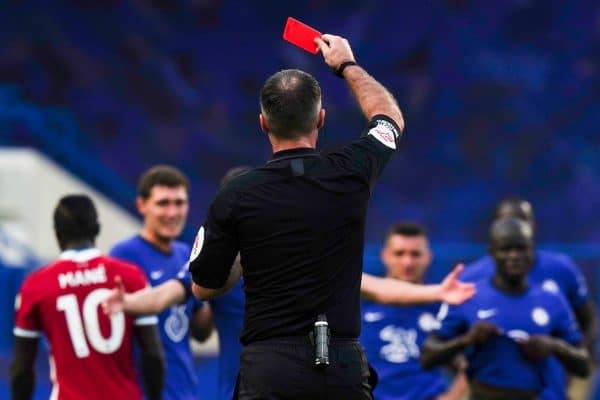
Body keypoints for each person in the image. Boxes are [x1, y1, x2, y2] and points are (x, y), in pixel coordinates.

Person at [102, 167, 476, 400]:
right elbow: (169, 294)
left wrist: (437, 292)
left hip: (298, 384)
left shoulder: (292, 252)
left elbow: (374, 286)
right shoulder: (213, 266)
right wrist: (130, 304)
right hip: (241, 386)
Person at [186, 32, 406, 399]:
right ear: (321, 118)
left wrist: (246, 247)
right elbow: (390, 119)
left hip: (270, 368)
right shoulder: (351, 171)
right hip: (340, 366)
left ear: (263, 123)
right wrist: (346, 65)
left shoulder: (237, 195)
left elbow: (204, 286)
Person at [10, 194, 164, 400]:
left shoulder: (36, 286)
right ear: (97, 229)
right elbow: (153, 354)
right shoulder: (130, 277)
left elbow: (22, 370)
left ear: (57, 234)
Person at [421, 218, 590, 400]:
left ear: (532, 252)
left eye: (521, 248)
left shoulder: (552, 300)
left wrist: (554, 346)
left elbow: (583, 364)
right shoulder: (468, 296)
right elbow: (429, 356)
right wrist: (467, 341)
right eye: (506, 249)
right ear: (492, 253)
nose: (514, 256)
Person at [461, 198, 596, 399]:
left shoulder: (561, 269)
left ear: (534, 226)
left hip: (552, 390)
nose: (515, 228)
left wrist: (569, 363)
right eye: (507, 221)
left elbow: (588, 321)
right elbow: (448, 335)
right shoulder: (471, 277)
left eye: (522, 221)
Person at [109, 165, 210, 400]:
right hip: (141, 392)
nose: (172, 212)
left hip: (184, 391)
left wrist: (222, 290)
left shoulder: (187, 254)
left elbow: (200, 331)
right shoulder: (123, 256)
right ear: (142, 205)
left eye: (179, 203)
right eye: (163, 203)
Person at [360, 222, 468, 400]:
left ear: (428, 257)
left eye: (415, 254)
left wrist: (452, 397)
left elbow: (468, 362)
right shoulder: (361, 307)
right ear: (385, 256)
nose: (407, 262)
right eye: (399, 253)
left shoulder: (443, 309)